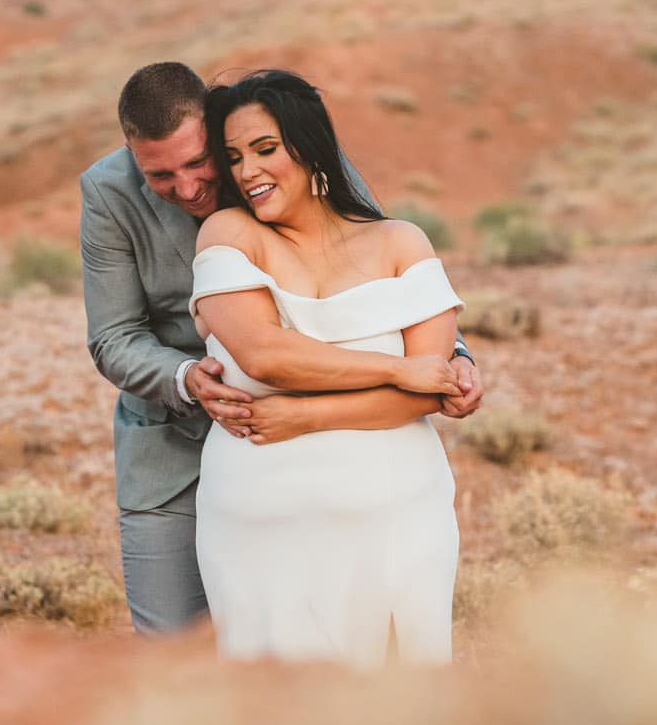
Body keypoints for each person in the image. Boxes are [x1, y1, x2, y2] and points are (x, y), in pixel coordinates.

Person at [80, 59, 482, 636]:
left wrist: (453, 358)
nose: (188, 188)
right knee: (176, 652)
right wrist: (188, 377)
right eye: (160, 177)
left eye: (200, 163)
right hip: (170, 445)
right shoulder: (107, 193)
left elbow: (380, 268)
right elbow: (114, 336)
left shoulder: (283, 156)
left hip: (331, 433)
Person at [192, 68, 465, 664]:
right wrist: (394, 369)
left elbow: (429, 392)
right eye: (235, 157)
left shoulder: (401, 243)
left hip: (397, 516)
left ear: (311, 146)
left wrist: (302, 419)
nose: (248, 172)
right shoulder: (230, 234)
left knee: (402, 710)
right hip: (259, 527)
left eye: (265, 150)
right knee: (276, 715)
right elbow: (264, 355)